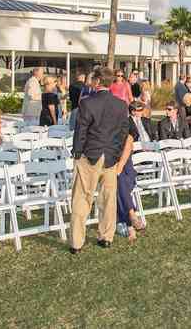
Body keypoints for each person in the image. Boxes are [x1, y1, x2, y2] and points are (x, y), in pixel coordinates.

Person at [70, 67, 130, 253]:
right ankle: (106, 236)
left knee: (82, 198)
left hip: (90, 155)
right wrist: (116, 152)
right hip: (110, 156)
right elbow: (123, 132)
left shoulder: (87, 103)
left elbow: (81, 131)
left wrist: (77, 152)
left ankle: (77, 242)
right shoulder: (121, 105)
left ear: (97, 81)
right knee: (108, 198)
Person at [115, 101, 149, 243]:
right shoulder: (116, 129)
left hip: (127, 166)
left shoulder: (126, 131)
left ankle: (128, 224)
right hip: (117, 168)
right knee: (121, 183)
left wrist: (120, 166)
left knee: (120, 183)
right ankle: (131, 217)